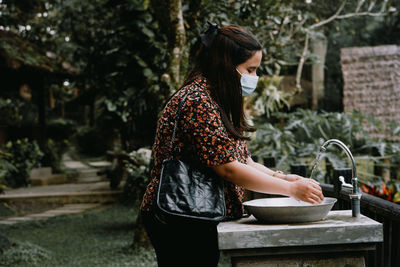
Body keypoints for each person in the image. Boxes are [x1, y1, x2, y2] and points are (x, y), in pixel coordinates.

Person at [140, 22, 324, 267]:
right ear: (226, 64)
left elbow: (241, 160)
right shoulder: (197, 100)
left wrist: (284, 178)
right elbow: (227, 167)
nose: (254, 77)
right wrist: (290, 191)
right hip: (180, 213)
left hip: (196, 213)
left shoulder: (216, 99)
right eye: (250, 69)